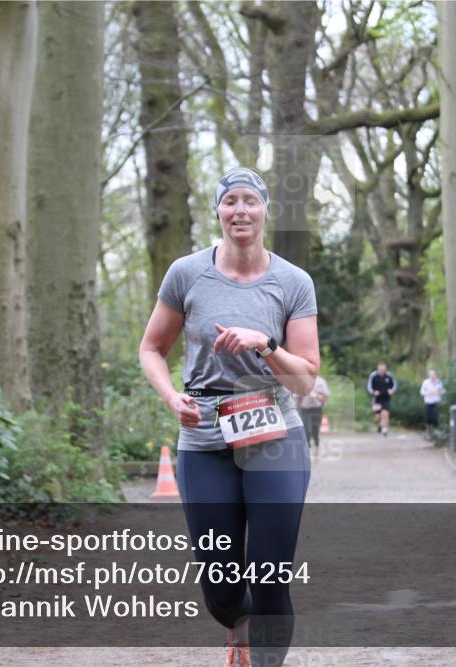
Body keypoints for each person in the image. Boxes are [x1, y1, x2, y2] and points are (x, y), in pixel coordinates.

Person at [139, 167, 319, 667]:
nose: (241, 210)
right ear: (218, 211)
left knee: (270, 576)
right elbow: (152, 348)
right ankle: (236, 622)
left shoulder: (293, 282)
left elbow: (305, 379)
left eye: (250, 201)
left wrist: (266, 345)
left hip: (275, 434)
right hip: (204, 435)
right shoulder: (186, 274)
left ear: (264, 209)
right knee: (220, 586)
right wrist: (171, 396)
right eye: (230, 201)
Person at [295, 375, 329, 449]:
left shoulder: (321, 381)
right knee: (306, 429)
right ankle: (307, 449)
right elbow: (297, 398)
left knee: (315, 430)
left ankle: (316, 442)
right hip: (305, 409)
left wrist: (315, 395)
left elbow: (325, 398)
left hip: (316, 409)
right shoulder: (302, 380)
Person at [366, 361, 397, 436]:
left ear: (385, 368)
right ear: (378, 368)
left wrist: (392, 390)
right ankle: (380, 424)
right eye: (381, 369)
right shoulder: (373, 375)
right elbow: (369, 386)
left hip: (386, 397)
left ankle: (384, 429)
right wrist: (373, 392)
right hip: (377, 398)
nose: (382, 370)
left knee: (385, 413)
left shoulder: (389, 376)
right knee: (377, 417)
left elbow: (395, 385)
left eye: (383, 369)